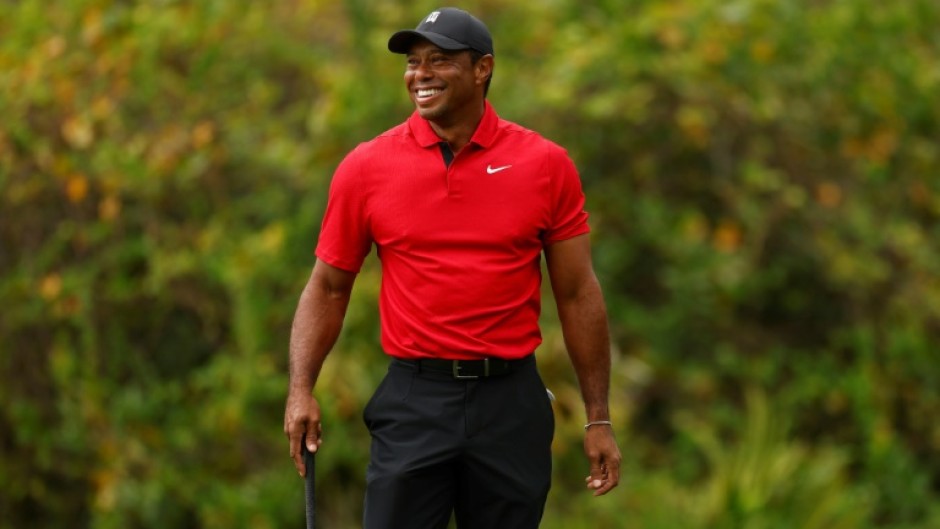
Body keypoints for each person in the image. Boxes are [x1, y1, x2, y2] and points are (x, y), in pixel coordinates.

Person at [284, 7, 621, 528]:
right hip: (415, 399)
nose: (420, 74)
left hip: (510, 402)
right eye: (414, 62)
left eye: (439, 60)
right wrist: (301, 389)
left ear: (482, 68)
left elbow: (578, 293)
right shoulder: (367, 167)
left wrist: (598, 417)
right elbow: (328, 288)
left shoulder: (545, 164)